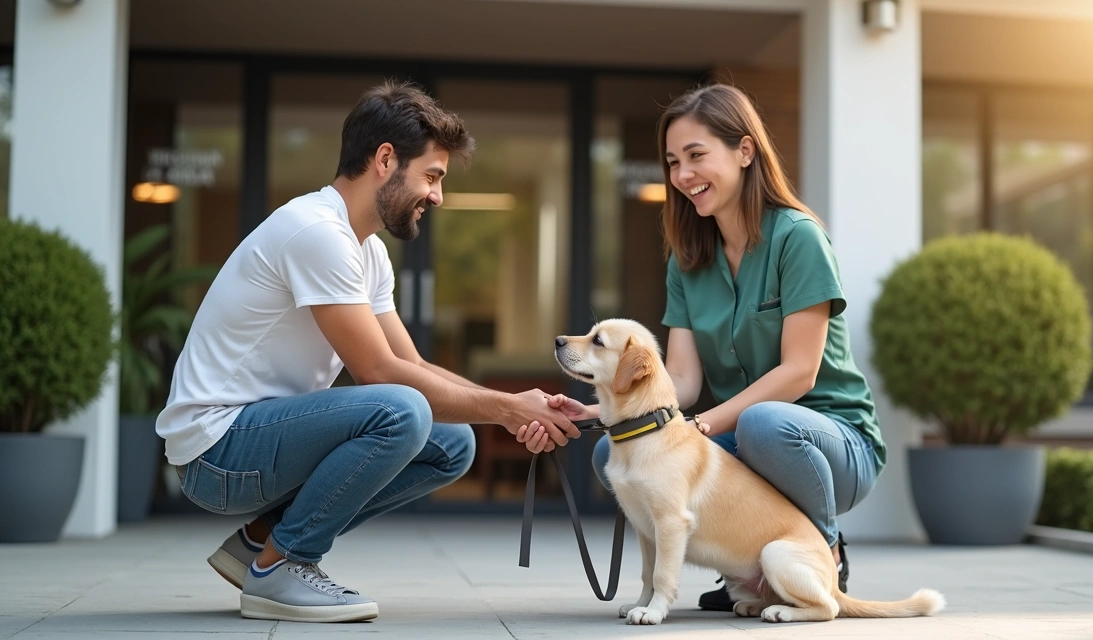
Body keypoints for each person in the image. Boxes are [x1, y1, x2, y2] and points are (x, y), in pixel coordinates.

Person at [157, 79, 579, 623]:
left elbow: (414, 365)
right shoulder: (316, 232)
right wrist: (508, 411)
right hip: (215, 453)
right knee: (401, 411)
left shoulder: (366, 250)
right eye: (431, 176)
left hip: (256, 440)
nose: (437, 196)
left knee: (451, 442)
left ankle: (257, 544)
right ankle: (283, 565)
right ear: (385, 160)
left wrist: (519, 402)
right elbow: (380, 372)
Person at [533, 84, 886, 611]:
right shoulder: (688, 259)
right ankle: (743, 569)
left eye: (697, 156)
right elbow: (682, 379)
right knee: (617, 448)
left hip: (830, 445)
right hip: (746, 439)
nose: (682, 175)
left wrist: (701, 425)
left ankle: (824, 553)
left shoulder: (799, 238)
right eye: (673, 162)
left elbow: (799, 374)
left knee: (763, 422)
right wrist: (601, 410)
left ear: (745, 151)